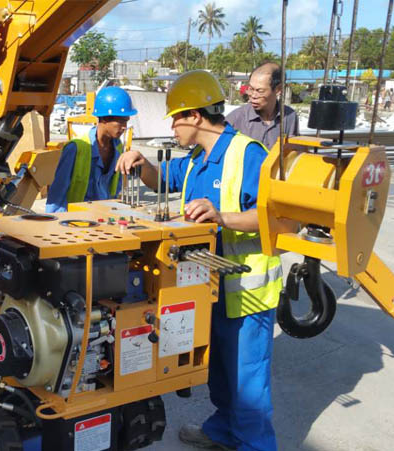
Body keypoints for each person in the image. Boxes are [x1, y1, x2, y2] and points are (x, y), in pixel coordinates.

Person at [116, 70, 283, 451]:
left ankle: (255, 445)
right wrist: (141, 163)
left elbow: (278, 219)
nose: (172, 127)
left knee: (248, 386)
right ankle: (223, 430)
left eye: (176, 118)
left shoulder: (248, 154)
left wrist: (222, 217)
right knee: (219, 373)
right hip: (206, 288)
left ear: (194, 115)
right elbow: (161, 179)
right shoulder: (196, 159)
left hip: (245, 293)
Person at [45, 86, 137, 213]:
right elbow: (57, 195)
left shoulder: (118, 147)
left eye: (126, 122)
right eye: (121, 122)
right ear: (105, 118)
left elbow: (116, 188)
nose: (124, 127)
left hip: (104, 217)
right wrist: (55, 221)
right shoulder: (75, 149)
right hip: (76, 219)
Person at [227, 62, 299, 150]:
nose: (253, 95)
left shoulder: (290, 116)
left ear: (278, 89)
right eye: (251, 89)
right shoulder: (235, 119)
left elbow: (294, 151)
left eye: (260, 91)